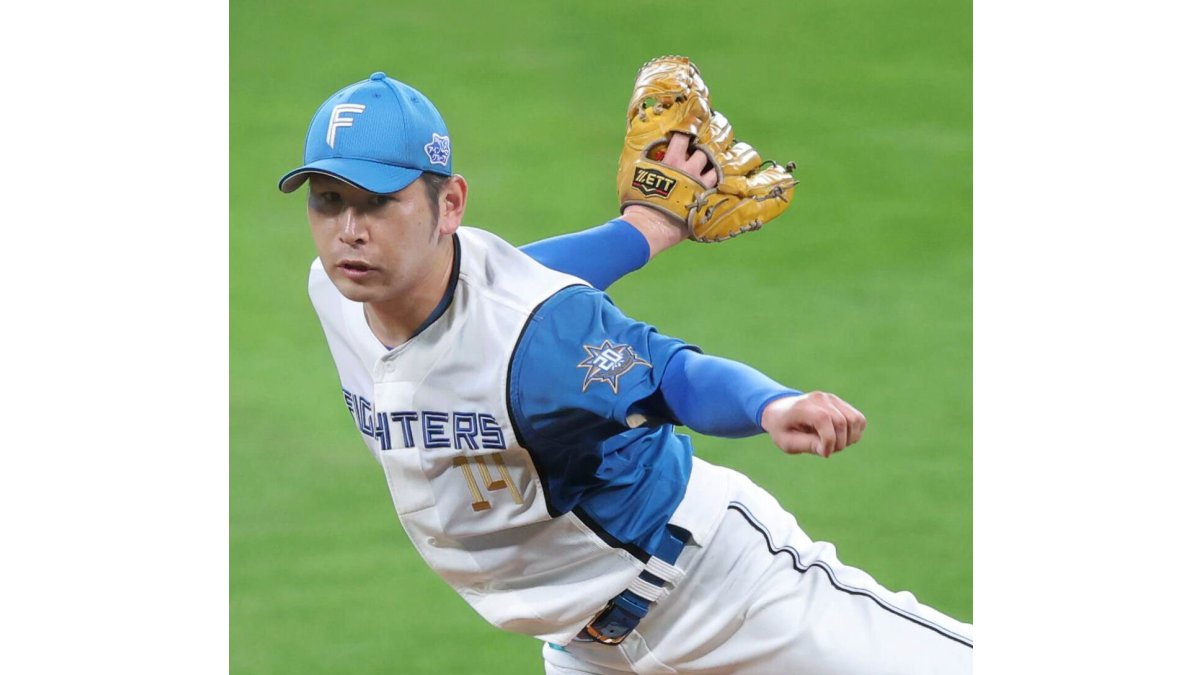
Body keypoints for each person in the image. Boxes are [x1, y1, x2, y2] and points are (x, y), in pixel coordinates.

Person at [279, 70, 973, 674]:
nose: (349, 230)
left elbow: (673, 375)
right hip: (589, 653)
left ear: (450, 205)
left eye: (378, 201)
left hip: (725, 592)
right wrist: (645, 228)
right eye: (327, 199)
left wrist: (771, 406)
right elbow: (518, 280)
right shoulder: (337, 290)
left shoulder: (539, 339)